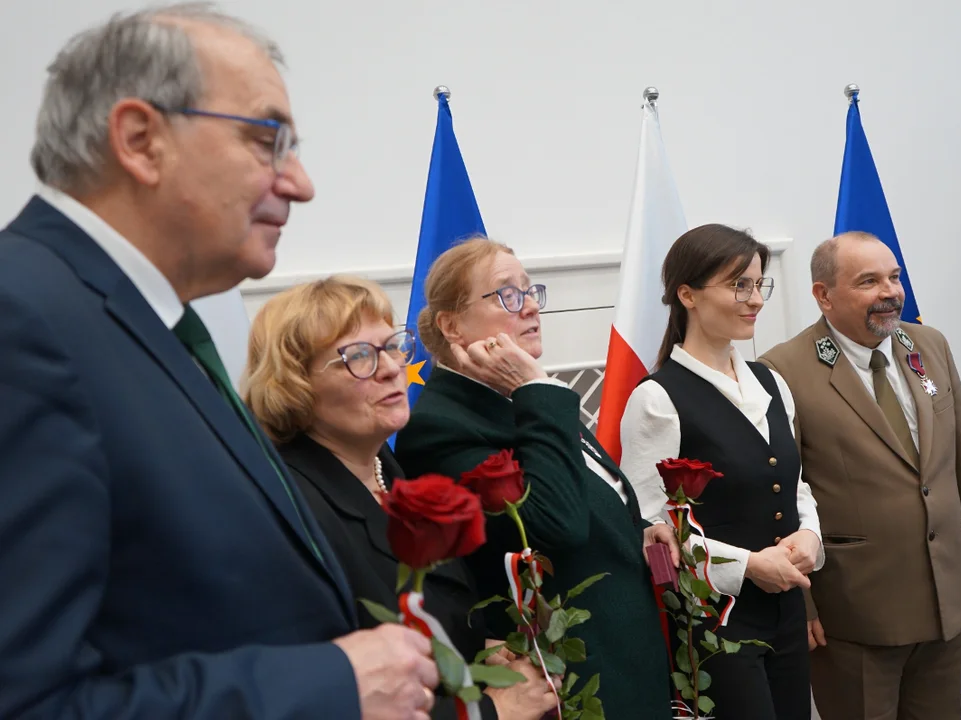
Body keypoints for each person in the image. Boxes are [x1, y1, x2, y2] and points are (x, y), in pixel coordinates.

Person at [0, 5, 437, 719]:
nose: (300, 182)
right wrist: (329, 687)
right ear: (141, 141)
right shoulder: (23, 323)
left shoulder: (142, 324)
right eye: (268, 139)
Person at [243, 275, 562, 720]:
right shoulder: (288, 508)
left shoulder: (387, 472)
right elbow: (327, 693)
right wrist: (492, 713)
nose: (393, 367)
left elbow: (428, 612)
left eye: (392, 345)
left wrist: (478, 650)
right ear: (294, 385)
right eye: (358, 357)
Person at [395, 237, 678, 719]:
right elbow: (557, 527)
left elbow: (590, 497)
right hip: (573, 689)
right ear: (451, 325)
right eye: (507, 295)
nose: (529, 308)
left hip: (628, 664)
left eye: (531, 291)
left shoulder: (518, 397)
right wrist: (534, 388)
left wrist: (636, 531)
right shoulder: (443, 426)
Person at [758, 231, 961, 720]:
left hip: (945, 595)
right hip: (854, 611)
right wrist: (801, 605)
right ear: (823, 295)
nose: (890, 291)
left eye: (894, 277)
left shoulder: (929, 344)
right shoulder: (783, 369)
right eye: (869, 281)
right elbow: (780, 495)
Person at [620, 224, 822, 719]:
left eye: (759, 285)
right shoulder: (657, 398)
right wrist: (750, 566)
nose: (754, 299)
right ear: (686, 294)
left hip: (788, 613)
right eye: (739, 285)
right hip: (716, 625)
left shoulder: (771, 382)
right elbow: (652, 533)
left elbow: (795, 485)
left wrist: (811, 538)